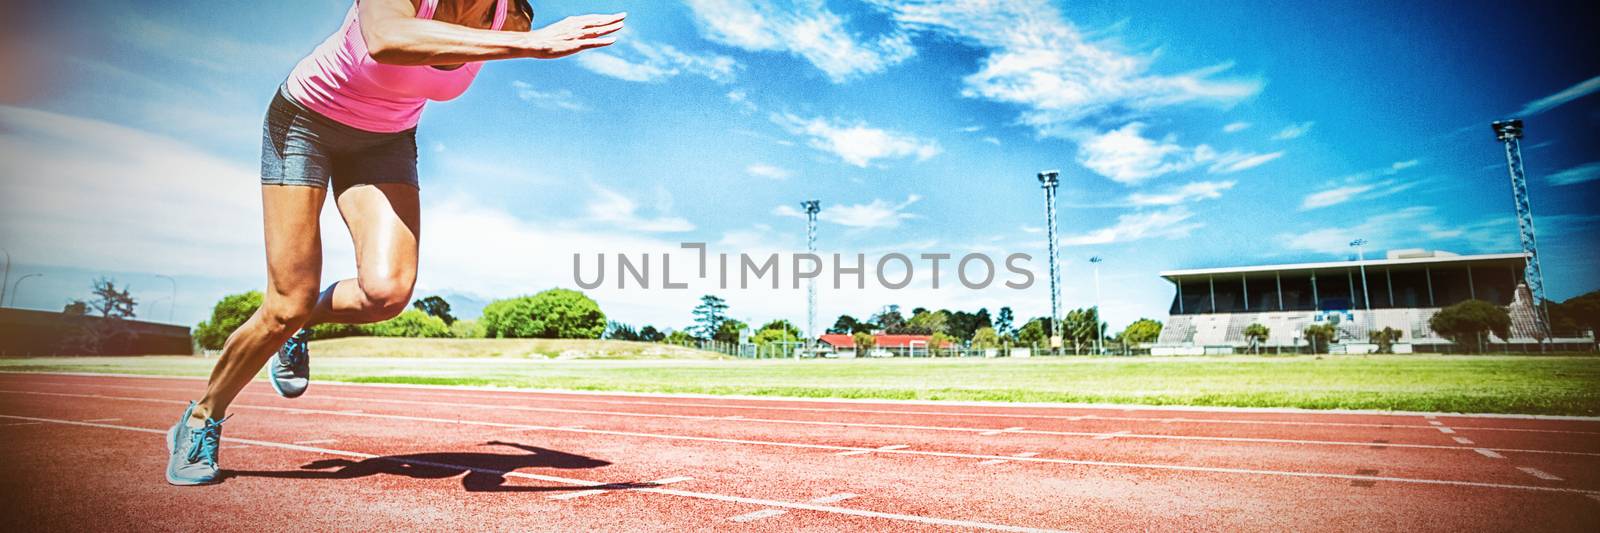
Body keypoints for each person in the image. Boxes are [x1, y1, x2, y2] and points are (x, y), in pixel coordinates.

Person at [166, 0, 625, 486]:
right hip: (306, 122)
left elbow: (483, 44)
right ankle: (200, 420)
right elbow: (387, 40)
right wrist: (531, 46)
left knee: (385, 294)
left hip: (386, 140)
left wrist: (526, 40)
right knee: (286, 303)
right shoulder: (511, 31)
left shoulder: (512, 19)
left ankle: (300, 325)